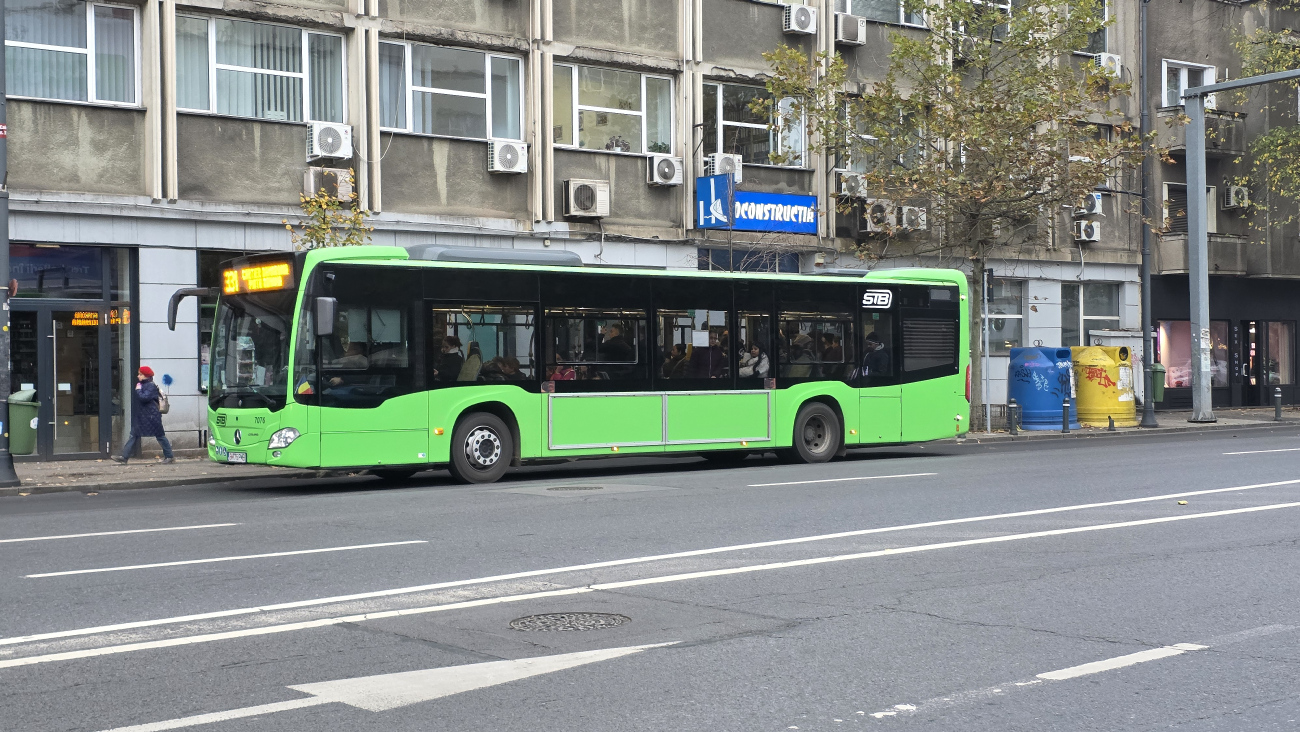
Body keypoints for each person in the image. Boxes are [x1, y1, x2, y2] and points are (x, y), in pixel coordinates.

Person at [112, 366, 173, 464]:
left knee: (160, 436)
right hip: (144, 416)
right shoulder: (144, 384)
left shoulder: (150, 385)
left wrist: (138, 390)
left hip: (151, 416)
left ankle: (169, 456)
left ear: (146, 376)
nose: (138, 376)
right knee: (133, 435)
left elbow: (144, 398)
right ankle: (124, 457)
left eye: (140, 374)